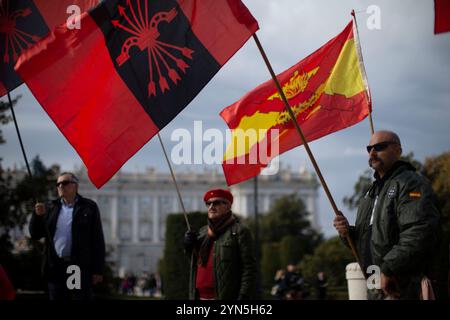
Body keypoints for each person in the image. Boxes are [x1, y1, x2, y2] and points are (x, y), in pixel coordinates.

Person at [333, 130, 447, 299]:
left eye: (379, 147)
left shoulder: (411, 182)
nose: (372, 152)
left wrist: (389, 268)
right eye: (369, 148)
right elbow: (369, 242)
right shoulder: (370, 194)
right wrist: (347, 233)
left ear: (398, 151)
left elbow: (419, 230)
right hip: (378, 287)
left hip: (405, 287)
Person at [29, 172, 105, 300]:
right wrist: (37, 216)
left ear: (75, 186)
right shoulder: (50, 207)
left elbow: (97, 239)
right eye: (57, 184)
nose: (60, 186)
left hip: (76, 265)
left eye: (64, 183)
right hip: (56, 265)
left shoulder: (88, 207)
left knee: (78, 298)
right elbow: (35, 234)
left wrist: (98, 270)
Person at [184, 188, 257, 300]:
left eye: (216, 203)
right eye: (208, 203)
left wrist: (244, 296)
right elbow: (196, 262)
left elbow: (249, 268)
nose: (211, 207)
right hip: (199, 297)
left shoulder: (239, 231)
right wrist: (189, 246)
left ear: (228, 206)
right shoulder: (203, 232)